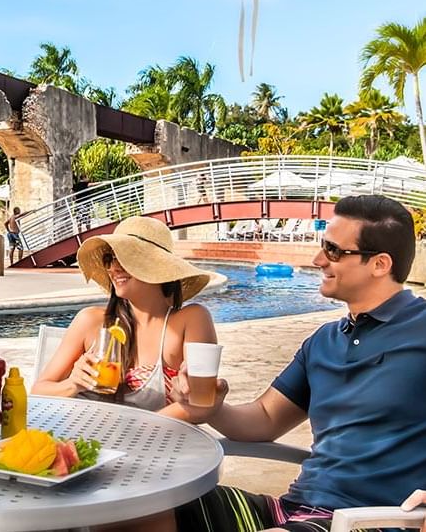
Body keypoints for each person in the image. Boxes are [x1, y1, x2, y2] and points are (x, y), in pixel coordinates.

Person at [142, 194, 426, 532]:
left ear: (380, 264)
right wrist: (212, 409)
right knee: (142, 506)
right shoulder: (324, 340)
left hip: (372, 520)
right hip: (296, 508)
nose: (318, 259)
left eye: (334, 251)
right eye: (323, 245)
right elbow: (264, 419)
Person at [31, 216, 216, 418]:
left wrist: (136, 430)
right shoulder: (90, 321)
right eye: (110, 259)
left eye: (125, 258)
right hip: (86, 441)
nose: (113, 268)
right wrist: (73, 384)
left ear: (156, 265)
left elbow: (201, 403)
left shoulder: (190, 320)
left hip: (152, 443)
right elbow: (39, 391)